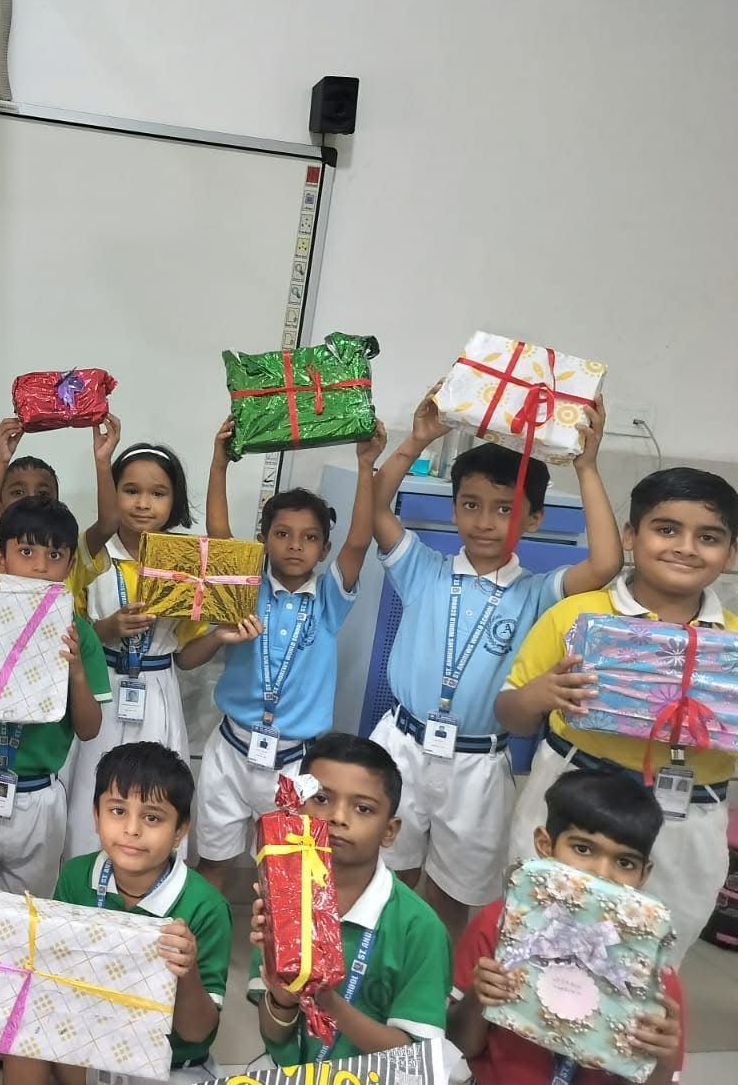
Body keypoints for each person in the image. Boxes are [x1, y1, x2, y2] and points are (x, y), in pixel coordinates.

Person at [367, 386, 620, 935]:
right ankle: (376, 967)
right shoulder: (424, 569)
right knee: (383, 876)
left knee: (454, 895)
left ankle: (436, 976)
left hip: (478, 764)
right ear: (454, 507)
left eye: (505, 509)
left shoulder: (538, 593)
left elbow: (605, 564)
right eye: (471, 504)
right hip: (401, 745)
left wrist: (587, 466)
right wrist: (416, 440)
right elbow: (375, 508)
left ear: (534, 519)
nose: (484, 521)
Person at [496, 466, 738, 966]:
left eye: (709, 537)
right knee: (536, 943)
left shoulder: (733, 644)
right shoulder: (575, 616)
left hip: (687, 818)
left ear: (731, 552)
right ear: (631, 535)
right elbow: (511, 716)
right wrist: (539, 695)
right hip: (572, 796)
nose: (686, 548)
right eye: (666, 529)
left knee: (650, 962)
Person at [193, 417, 385, 890]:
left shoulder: (329, 599)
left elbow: (359, 541)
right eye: (282, 534)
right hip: (231, 748)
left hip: (296, 762)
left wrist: (366, 465)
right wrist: (218, 463)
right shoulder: (245, 587)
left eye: (309, 537)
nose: (295, 545)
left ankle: (269, 944)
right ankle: (206, 939)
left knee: (284, 878)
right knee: (213, 863)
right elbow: (218, 534)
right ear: (263, 539)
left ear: (324, 548)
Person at [9, 742, 231, 1085]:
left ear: (180, 830)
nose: (132, 829)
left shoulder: (206, 906)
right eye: (117, 811)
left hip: (170, 1063)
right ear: (96, 816)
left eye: (152, 817)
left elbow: (197, 1033)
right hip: (92, 1044)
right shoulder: (77, 876)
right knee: (25, 1037)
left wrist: (186, 973)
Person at [449, 770, 684, 1084]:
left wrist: (662, 1061)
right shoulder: (498, 926)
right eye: (583, 849)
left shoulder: (650, 968)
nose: (601, 874)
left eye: (625, 863)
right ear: (545, 845)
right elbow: (460, 1044)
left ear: (644, 873)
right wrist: (478, 996)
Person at [0, 497, 106, 897]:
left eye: (54, 555)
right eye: (26, 551)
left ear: (70, 565)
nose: (40, 566)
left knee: (27, 915)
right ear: (1, 558)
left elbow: (90, 729)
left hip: (38, 797)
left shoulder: (79, 635)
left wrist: (77, 672)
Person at [249, 732, 450, 1068]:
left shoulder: (419, 928)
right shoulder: (284, 901)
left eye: (363, 808)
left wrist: (326, 1000)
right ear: (297, 809)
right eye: (321, 799)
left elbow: (414, 1059)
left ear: (390, 831)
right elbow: (274, 1035)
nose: (337, 817)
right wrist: (283, 998)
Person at [62, 442, 217, 861]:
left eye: (158, 493)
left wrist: (221, 636)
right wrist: (107, 629)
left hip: (158, 689)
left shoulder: (185, 561)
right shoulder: (92, 553)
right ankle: (83, 879)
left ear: (174, 499)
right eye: (131, 491)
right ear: (112, 494)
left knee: (155, 792)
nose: (144, 504)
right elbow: (67, 629)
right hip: (100, 684)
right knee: (92, 789)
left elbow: (185, 657)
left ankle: (149, 884)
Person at [0, 415, 120, 580]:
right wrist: (0, 462)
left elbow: (108, 526)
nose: (31, 498)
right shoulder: (0, 554)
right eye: (18, 492)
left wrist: (103, 462)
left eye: (43, 494)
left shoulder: (67, 551)